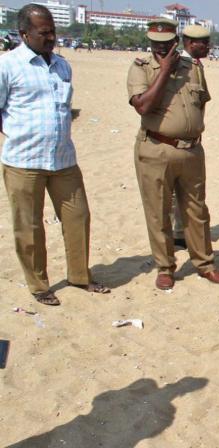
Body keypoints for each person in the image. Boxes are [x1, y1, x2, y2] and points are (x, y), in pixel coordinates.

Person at [0, 4, 110, 306]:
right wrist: (17, 134)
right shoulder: (8, 65)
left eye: (53, 31)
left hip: (63, 160)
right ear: (25, 34)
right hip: (24, 162)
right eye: (43, 33)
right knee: (29, 227)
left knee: (79, 218)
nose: (51, 37)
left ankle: (79, 276)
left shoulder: (62, 65)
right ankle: (39, 285)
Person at [127, 19, 219, 290]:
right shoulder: (141, 68)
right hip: (156, 150)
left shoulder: (193, 68)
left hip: (191, 151)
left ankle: (205, 264)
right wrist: (164, 70)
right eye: (155, 45)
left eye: (166, 45)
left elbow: (200, 104)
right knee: (158, 212)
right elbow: (143, 106)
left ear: (175, 43)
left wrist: (193, 134)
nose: (160, 49)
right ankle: (165, 267)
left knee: (197, 211)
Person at [170, 25, 213, 251]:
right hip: (175, 143)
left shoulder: (196, 65)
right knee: (172, 195)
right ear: (189, 43)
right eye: (202, 42)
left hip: (192, 142)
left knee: (190, 195)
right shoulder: (178, 65)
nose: (207, 46)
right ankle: (175, 234)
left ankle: (180, 233)